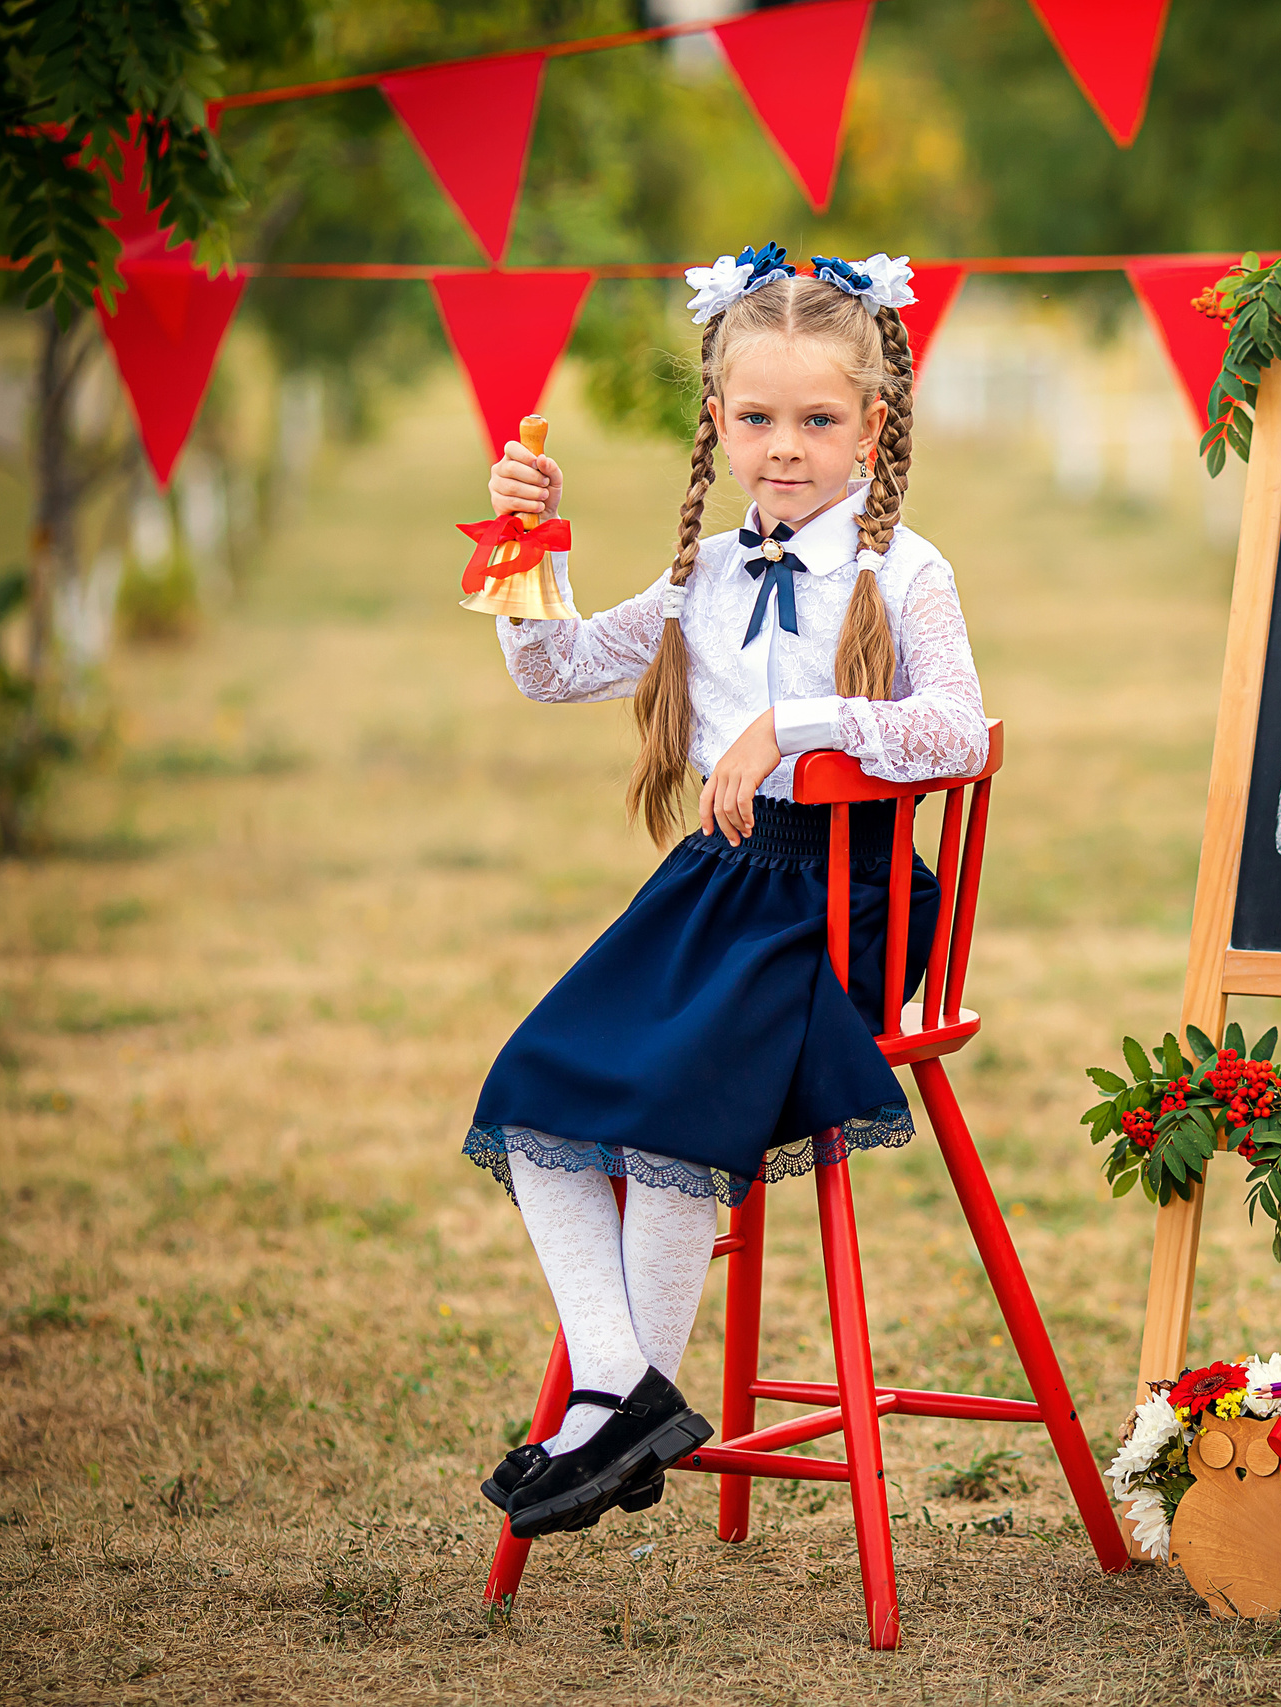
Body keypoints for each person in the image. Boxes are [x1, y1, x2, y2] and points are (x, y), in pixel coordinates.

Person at [461, 245, 987, 1540]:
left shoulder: (905, 571)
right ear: (719, 422)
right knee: (533, 1090)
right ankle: (618, 1387)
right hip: (718, 890)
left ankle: (612, 1412)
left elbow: (958, 731)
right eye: (756, 418)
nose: (785, 447)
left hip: (847, 901)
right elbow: (554, 671)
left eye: (817, 420)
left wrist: (796, 726)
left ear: (872, 425)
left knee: (673, 1105)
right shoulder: (702, 574)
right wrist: (529, 540)